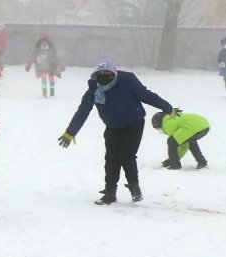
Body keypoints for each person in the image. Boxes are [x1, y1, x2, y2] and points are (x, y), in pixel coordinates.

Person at [59, 60, 174, 205]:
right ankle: (110, 192)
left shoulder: (127, 81)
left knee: (127, 155)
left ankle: (134, 187)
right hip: (112, 126)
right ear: (96, 74)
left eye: (108, 73)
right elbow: (83, 110)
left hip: (134, 123)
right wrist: (70, 132)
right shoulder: (94, 89)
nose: (104, 75)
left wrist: (168, 108)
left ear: (114, 74)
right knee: (111, 158)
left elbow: (146, 95)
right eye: (100, 73)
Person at [25, 34, 63, 98]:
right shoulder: (49, 46)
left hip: (46, 65)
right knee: (48, 79)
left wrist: (28, 66)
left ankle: (47, 93)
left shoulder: (41, 46)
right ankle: (50, 93)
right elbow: (56, 56)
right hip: (47, 66)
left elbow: (56, 56)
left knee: (46, 79)